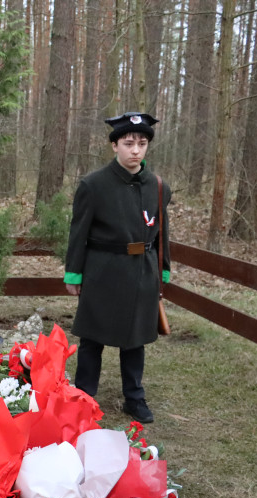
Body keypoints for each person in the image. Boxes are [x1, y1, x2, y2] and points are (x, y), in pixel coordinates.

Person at [63, 112, 171, 423]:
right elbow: (78, 232)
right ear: (114, 146)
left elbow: (163, 231)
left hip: (143, 273)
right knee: (92, 340)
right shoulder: (93, 185)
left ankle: (134, 398)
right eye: (128, 143)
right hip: (103, 272)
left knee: (135, 340)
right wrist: (74, 272)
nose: (135, 150)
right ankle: (84, 396)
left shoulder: (158, 186)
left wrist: (162, 270)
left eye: (141, 143)